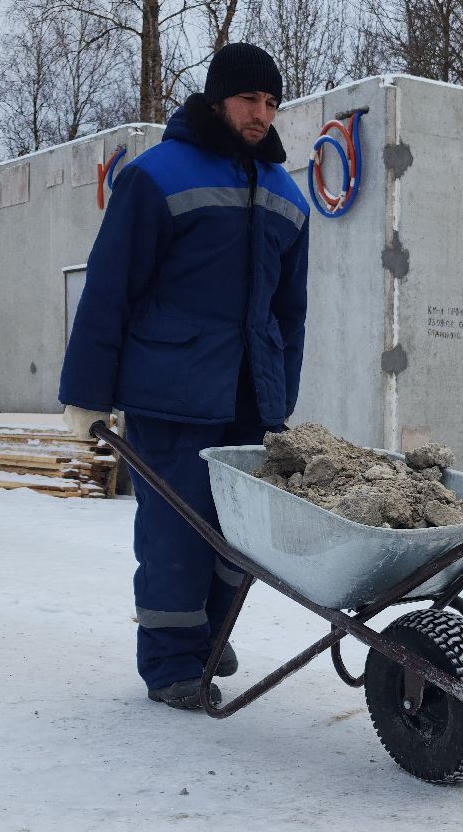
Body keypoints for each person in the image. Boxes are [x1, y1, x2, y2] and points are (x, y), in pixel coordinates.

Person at [59, 43, 310, 711]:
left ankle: (208, 630)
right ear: (216, 98)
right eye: (249, 99)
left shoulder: (288, 196)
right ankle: (171, 662)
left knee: (239, 534)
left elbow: (291, 313)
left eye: (270, 102)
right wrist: (86, 394)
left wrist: (280, 398)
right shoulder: (157, 175)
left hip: (250, 394)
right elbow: (112, 286)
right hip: (169, 388)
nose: (261, 114)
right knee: (177, 531)